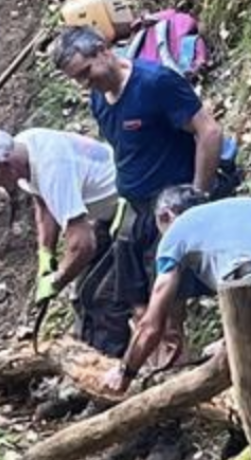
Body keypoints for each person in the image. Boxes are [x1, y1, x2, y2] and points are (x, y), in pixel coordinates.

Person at [51, 26, 224, 364]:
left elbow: (209, 130)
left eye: (87, 72)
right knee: (126, 295)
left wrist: (197, 196)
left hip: (169, 206)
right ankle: (127, 372)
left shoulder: (155, 83)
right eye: (78, 80)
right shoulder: (99, 100)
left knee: (167, 300)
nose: (86, 83)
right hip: (134, 209)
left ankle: (170, 382)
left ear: (103, 50)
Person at [101, 186, 251, 394]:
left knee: (244, 371)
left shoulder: (177, 230)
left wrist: (125, 372)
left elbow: (152, 324)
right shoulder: (250, 205)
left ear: (165, 216)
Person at [0, 128, 131, 357]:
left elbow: (82, 244)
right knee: (81, 292)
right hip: (107, 211)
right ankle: (84, 355)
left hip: (134, 206)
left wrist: (56, 280)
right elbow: (43, 205)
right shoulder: (22, 149)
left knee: (103, 297)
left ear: (4, 166)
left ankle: (107, 370)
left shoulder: (52, 167)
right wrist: (45, 254)